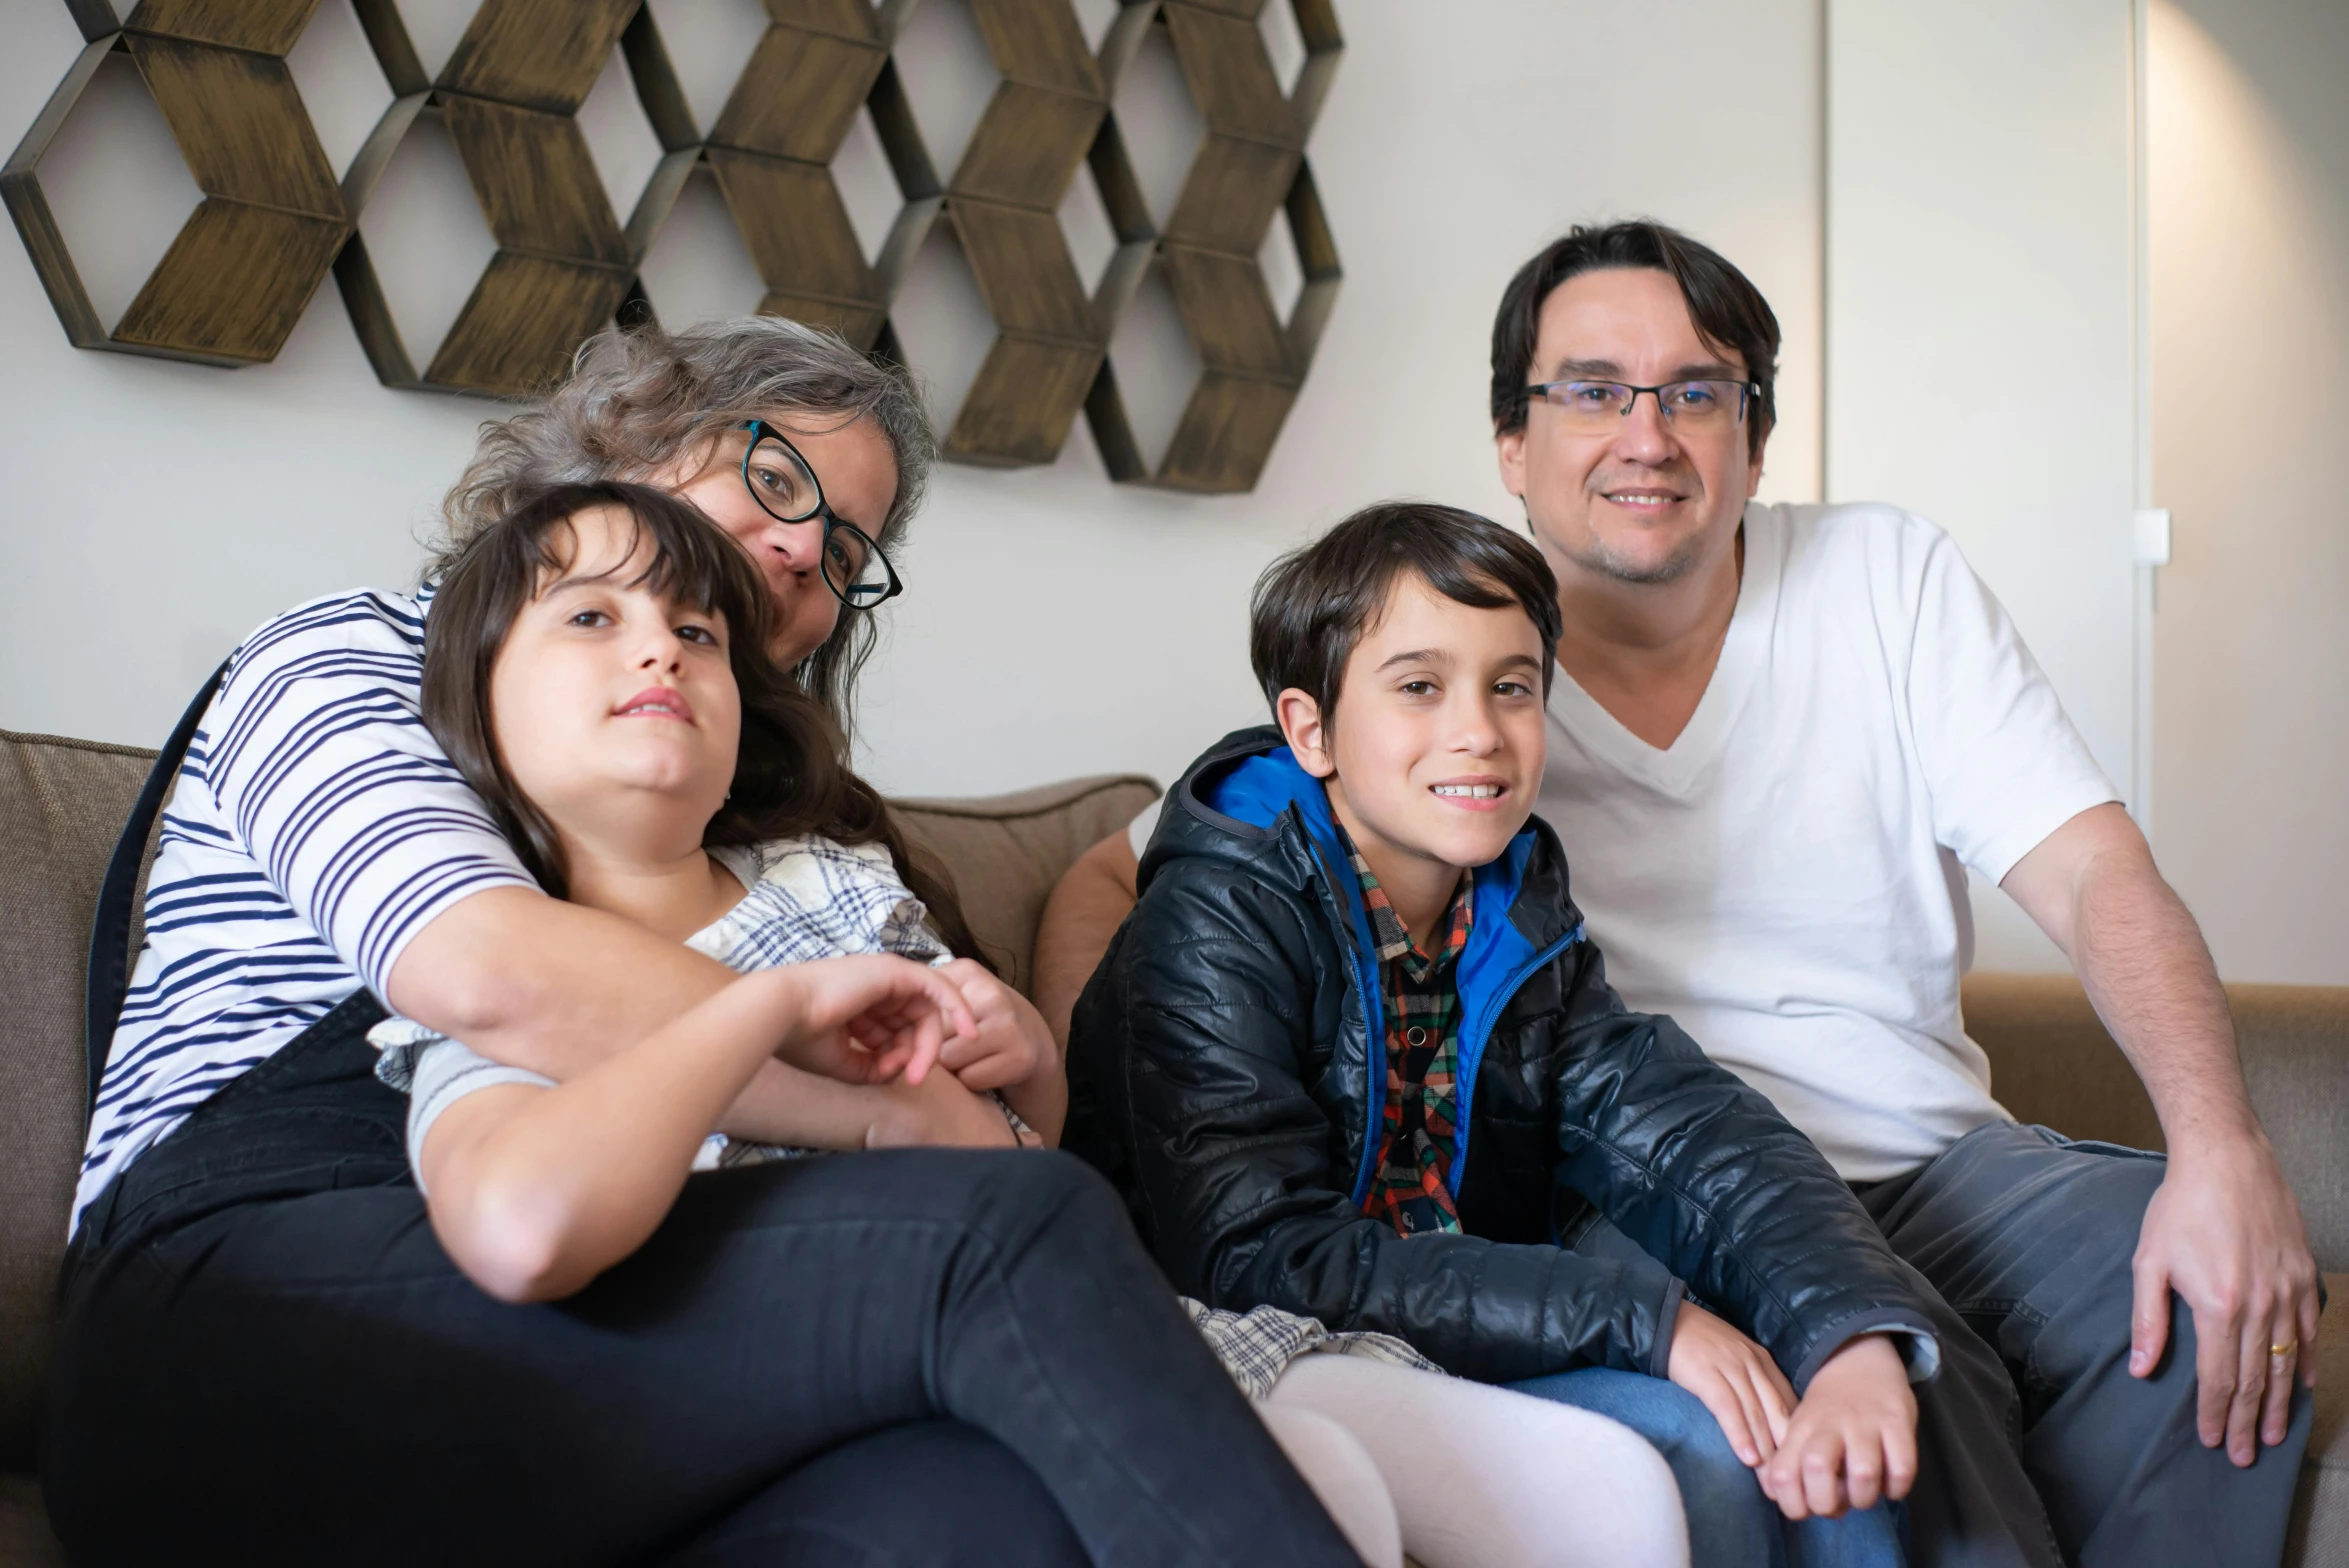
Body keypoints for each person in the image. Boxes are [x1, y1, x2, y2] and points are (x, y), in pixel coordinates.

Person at [1037, 221, 2321, 1566]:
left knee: (2203, 1287)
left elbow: (2091, 870)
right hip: (1616, 1204)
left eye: (1695, 391)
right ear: (1511, 444)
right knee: (1880, 1370)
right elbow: (1115, 890)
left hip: (1900, 1158)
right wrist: (1090, 1134)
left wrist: (2221, 1150)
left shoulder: (1860, 601)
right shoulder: (1427, 647)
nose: (1645, 434)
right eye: (1591, 389)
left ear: (1753, 442)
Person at [44, 321, 1360, 1566]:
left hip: (597, 1336)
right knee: (997, 1237)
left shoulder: (776, 842)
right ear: (623, 440)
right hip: (249, 1308)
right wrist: (895, 1114)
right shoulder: (351, 656)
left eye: (846, 549)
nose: (805, 550)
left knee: (967, 1513)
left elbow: (983, 1109)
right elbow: (482, 970)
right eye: (776, 474)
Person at [380, 479, 1677, 1568]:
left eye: (698, 632)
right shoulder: (505, 982)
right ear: (473, 704)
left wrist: (1031, 1061)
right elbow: (527, 1226)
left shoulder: (838, 888)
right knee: (1323, 1476)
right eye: (592, 618)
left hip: (1115, 1313)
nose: (659, 647)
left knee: (1609, 1493)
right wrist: (765, 1010)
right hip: (897, 1378)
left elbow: (1017, 1161)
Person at [1068, 501, 1983, 1566]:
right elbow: (1255, 1251)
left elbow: (1690, 1131)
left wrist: (1854, 1330)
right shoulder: (1216, 916)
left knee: (1807, 1415)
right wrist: (1646, 1319)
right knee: (1706, 1441)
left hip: (1465, 1303)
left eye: (1513, 684)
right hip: (1262, 1334)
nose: (1479, 730)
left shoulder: (1514, 899)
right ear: (1310, 729)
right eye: (1419, 685)